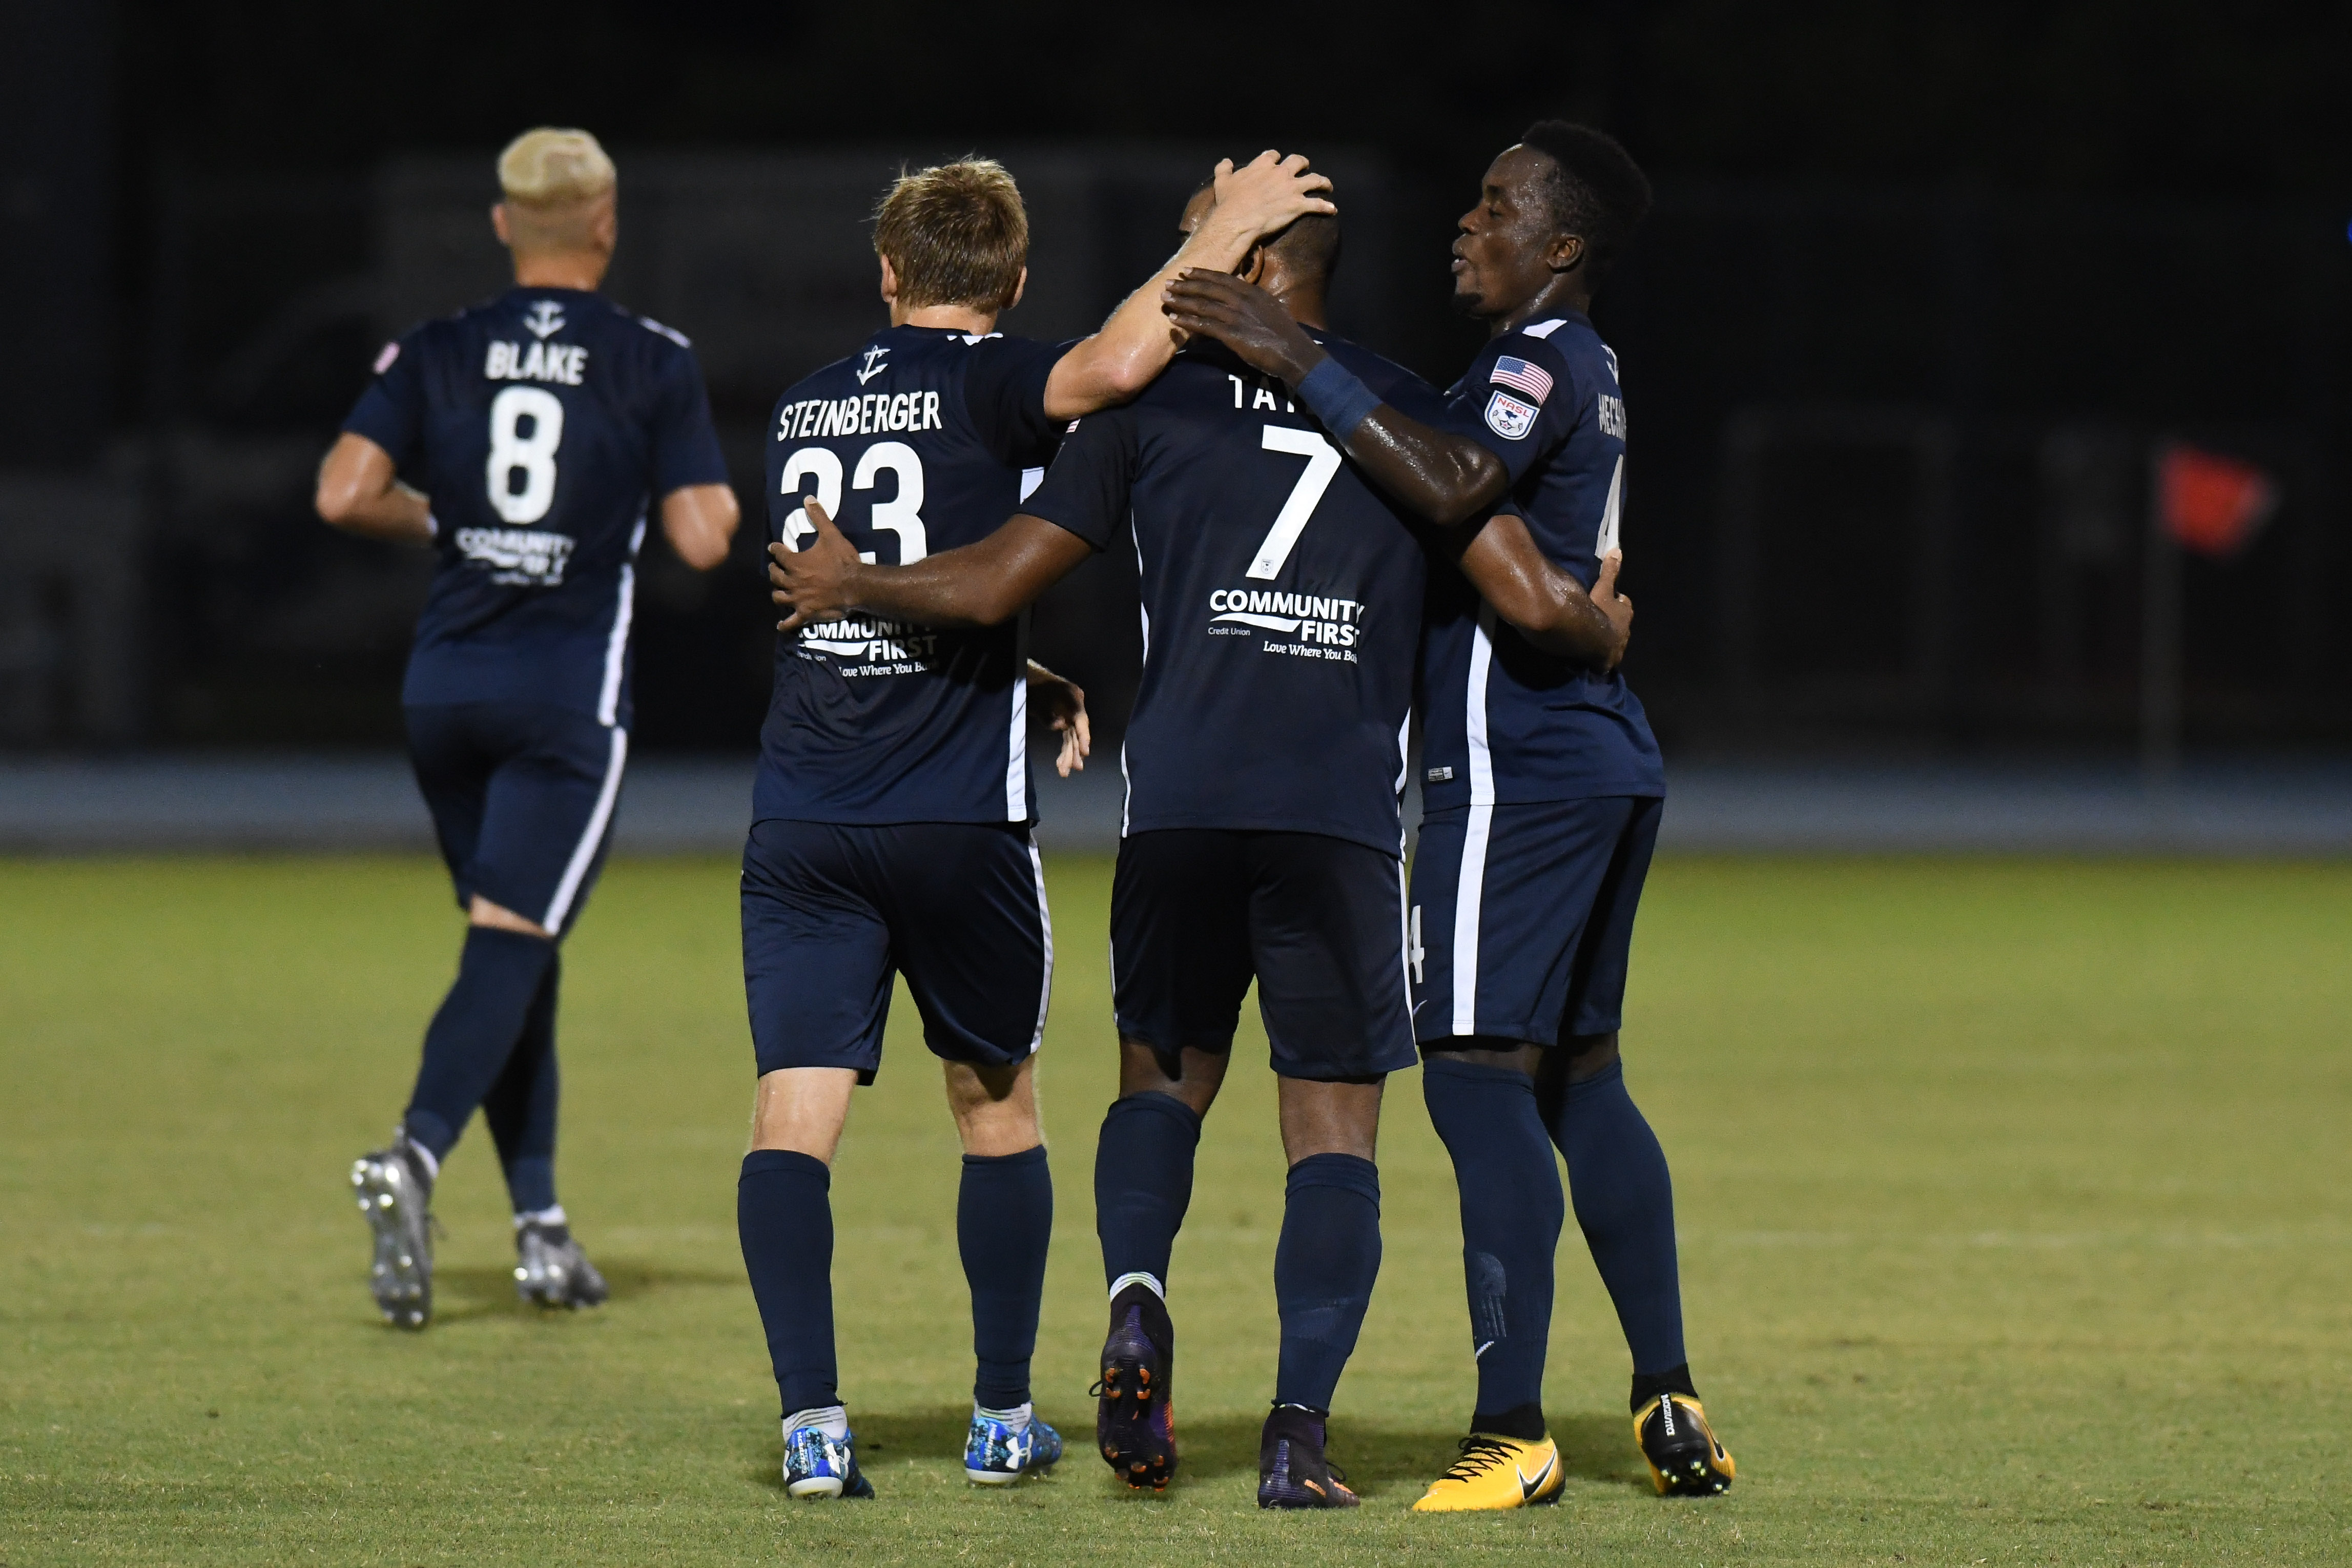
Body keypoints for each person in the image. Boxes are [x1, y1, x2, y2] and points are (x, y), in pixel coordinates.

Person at [767, 180, 1471, 1510]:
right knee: (1332, 1131)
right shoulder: (1403, 406)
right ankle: (1293, 1437)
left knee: (1157, 1083)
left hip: (1182, 805)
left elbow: (988, 581)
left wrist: (852, 582)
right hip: (1335, 815)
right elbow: (1473, 566)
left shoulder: (1152, 403)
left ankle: (1136, 1303)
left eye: (1211, 224)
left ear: (1256, 256)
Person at [1163, 120, 1736, 1509]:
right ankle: (1665, 1393)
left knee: (1477, 1076)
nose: (1464, 225)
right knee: (1580, 1077)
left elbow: (1454, 483)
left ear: (1562, 249)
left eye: (1496, 207)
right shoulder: (1578, 372)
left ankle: (1510, 1425)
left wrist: (1290, 349)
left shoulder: (1541, 357)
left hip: (1512, 761)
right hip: (1595, 754)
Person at [316, 128, 740, 1329]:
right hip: (563, 701)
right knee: (514, 943)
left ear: (504, 225)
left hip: (443, 693)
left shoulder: (440, 347)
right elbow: (706, 537)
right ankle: (414, 1153)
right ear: (607, 224)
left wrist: (454, 525)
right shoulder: (649, 359)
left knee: (517, 941)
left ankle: (542, 1230)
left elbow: (343, 490)